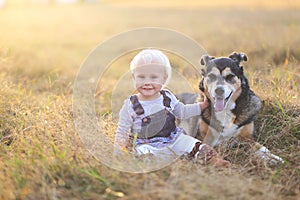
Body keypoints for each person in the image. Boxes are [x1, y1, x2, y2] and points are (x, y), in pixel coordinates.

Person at [114, 49, 229, 167]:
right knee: (143, 153)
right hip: (147, 144)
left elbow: (182, 111)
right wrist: (117, 152)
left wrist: (201, 106)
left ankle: (213, 160)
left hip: (173, 139)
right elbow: (122, 129)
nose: (147, 82)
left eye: (153, 77)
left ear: (164, 79)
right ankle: (156, 162)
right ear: (134, 77)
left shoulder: (167, 97)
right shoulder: (131, 104)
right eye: (141, 77)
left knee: (193, 143)